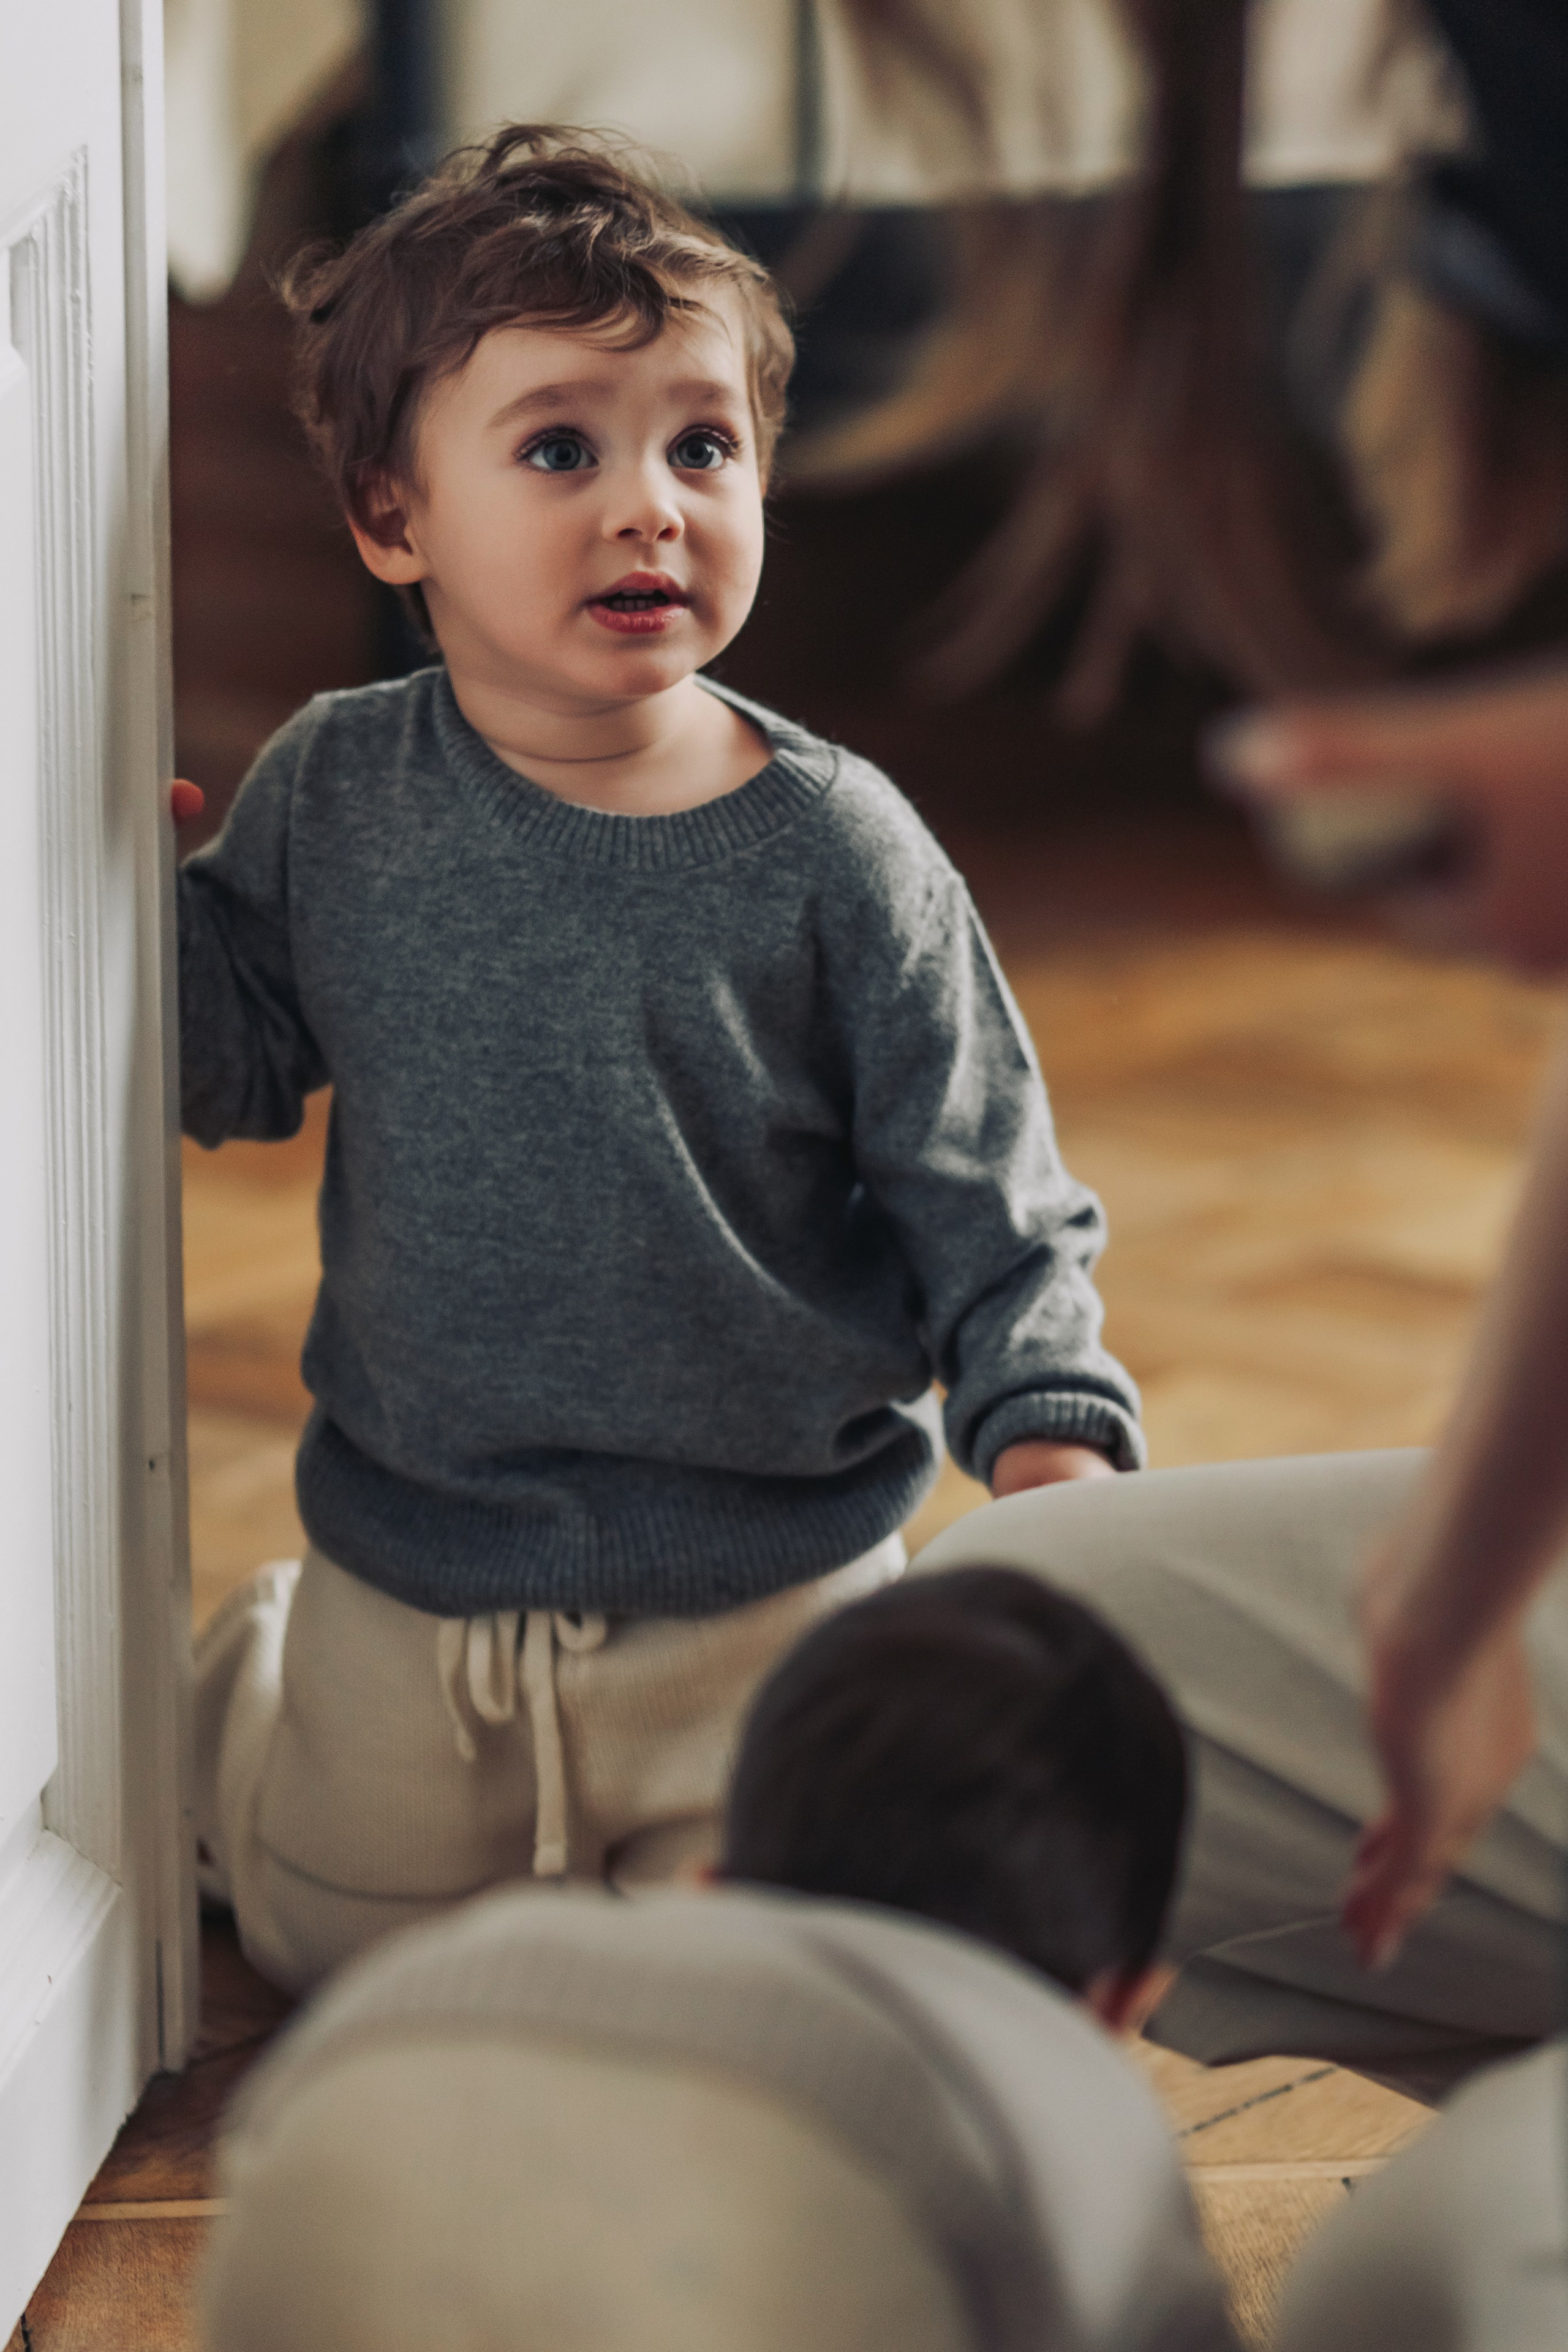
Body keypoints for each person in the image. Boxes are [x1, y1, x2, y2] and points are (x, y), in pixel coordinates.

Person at [181, 123, 1143, 1998]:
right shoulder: (336, 790)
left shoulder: (836, 848)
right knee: (329, 1956)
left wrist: (1049, 1434)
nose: (653, 508)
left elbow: (989, 1184)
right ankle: (255, 1687)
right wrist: (117, 917)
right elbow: (231, 1067)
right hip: (419, 1573)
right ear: (395, 519)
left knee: (769, 1972)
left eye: (704, 446)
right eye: (562, 449)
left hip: (765, 1591)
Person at [198, 1567, 1237, 2352]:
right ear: (1119, 2009)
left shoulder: (465, 1962)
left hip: (339, 2102)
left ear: (708, 1885)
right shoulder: (1080, 2117)